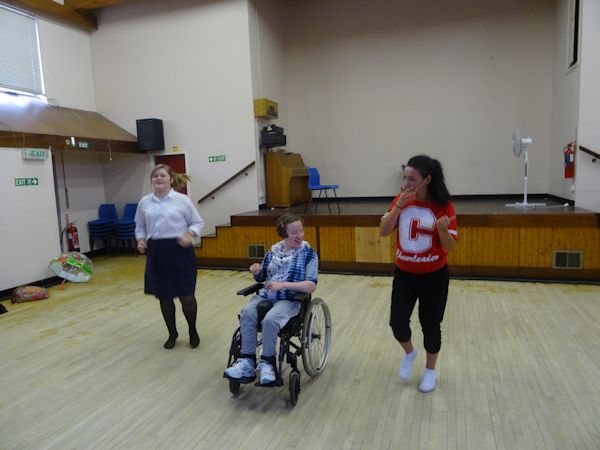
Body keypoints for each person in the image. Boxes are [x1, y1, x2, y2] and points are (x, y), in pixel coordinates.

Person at [379, 155, 458, 393]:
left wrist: (442, 230)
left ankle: (430, 371)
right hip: (404, 275)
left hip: (434, 276)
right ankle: (410, 353)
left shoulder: (444, 205)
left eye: (412, 179)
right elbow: (384, 230)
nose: (407, 183)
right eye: (405, 178)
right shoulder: (402, 199)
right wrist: (398, 206)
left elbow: (450, 246)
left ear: (427, 179)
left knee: (430, 325)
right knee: (397, 323)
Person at [224, 213, 318, 385]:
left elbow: (310, 286)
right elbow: (262, 278)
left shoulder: (308, 254)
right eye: (294, 232)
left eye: (301, 231)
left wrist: (283, 285)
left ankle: (268, 364)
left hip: (290, 298)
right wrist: (257, 270)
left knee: (270, 320)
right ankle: (247, 362)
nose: (300, 235)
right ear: (284, 234)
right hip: (266, 296)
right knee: (247, 313)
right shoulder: (273, 252)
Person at [135, 164, 205, 350]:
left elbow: (197, 222)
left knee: (186, 297)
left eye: (162, 175)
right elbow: (140, 226)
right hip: (157, 253)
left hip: (180, 251)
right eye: (155, 176)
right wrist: (140, 240)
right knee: (164, 298)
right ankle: (172, 334)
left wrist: (189, 234)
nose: (158, 178)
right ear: (151, 180)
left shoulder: (182, 200)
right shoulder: (145, 202)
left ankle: (192, 330)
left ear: (171, 179)